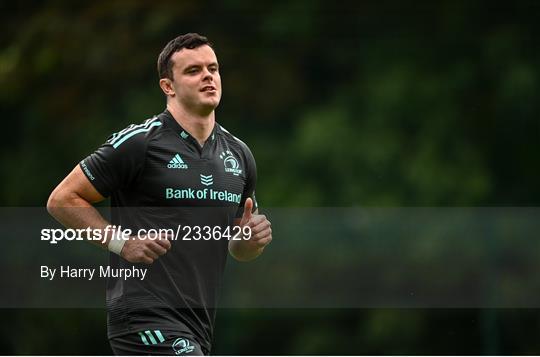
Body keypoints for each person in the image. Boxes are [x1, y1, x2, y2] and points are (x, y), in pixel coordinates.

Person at [47, 33, 272, 355]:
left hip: (199, 322)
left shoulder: (238, 154)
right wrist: (122, 243)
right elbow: (62, 199)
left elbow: (238, 248)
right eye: (193, 71)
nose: (208, 76)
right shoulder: (140, 143)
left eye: (213, 68)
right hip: (142, 313)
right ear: (168, 86)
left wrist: (248, 242)